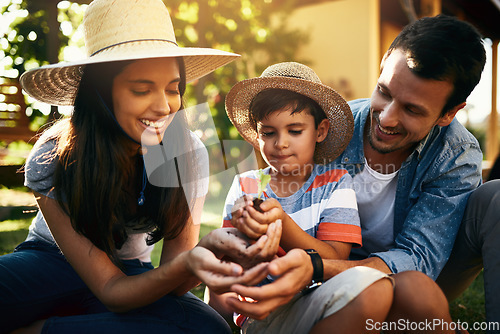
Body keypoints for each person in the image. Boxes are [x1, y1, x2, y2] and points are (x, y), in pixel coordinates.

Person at [0, 0, 280, 333]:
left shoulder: (187, 153)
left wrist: (208, 249)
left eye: (173, 89)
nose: (164, 106)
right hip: (48, 263)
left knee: (205, 327)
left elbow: (171, 280)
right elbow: (109, 291)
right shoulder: (52, 157)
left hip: (130, 272)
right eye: (141, 89)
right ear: (101, 93)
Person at [219, 14, 494, 331]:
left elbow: (416, 260)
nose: (387, 118)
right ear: (383, 63)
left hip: (407, 274)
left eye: (412, 109)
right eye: (385, 92)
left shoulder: (457, 155)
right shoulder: (329, 127)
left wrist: (317, 266)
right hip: (321, 279)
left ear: (448, 113)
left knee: (494, 201)